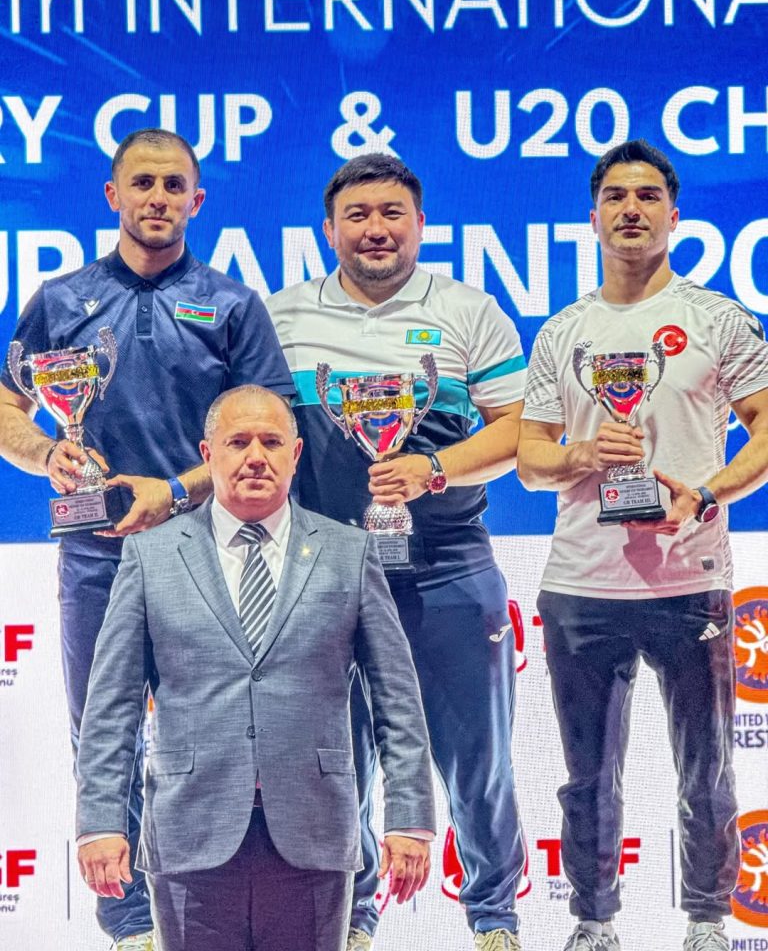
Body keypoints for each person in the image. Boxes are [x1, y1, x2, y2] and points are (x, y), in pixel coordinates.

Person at [0, 130, 294, 950]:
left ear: (196, 201)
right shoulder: (60, 300)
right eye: (142, 183)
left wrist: (180, 491)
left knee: (221, 741)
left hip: (212, 557)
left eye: (173, 185)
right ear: (112, 195)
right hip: (98, 558)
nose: (157, 198)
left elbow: (270, 427)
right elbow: (8, 406)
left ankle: (209, 911)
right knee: (104, 737)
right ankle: (129, 924)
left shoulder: (233, 305)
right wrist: (47, 452)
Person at [267, 154, 528, 951]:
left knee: (478, 758)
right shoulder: (281, 316)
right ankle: (353, 919)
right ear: (329, 229)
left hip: (449, 564)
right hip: (322, 574)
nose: (375, 229)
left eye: (391, 214)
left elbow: (520, 429)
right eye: (358, 215)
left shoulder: (467, 309)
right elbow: (257, 435)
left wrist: (435, 468)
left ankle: (494, 920)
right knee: (335, 761)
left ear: (420, 224)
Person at [517, 139, 768, 951]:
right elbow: (530, 460)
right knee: (587, 775)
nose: (632, 209)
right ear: (592, 218)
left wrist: (709, 492)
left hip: (688, 577)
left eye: (648, 196)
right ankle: (594, 923)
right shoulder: (564, 332)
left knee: (707, 770)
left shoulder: (716, 320)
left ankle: (706, 921)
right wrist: (582, 456)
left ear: (674, 214)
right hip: (581, 583)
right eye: (616, 197)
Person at [76, 385, 435, 951]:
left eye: (271, 442)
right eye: (238, 442)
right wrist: (100, 822)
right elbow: (111, 706)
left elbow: (398, 699)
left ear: (295, 454)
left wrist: (408, 819)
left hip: (315, 834)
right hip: (189, 835)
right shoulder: (149, 556)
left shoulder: (351, 552)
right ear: (208, 453)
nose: (255, 457)